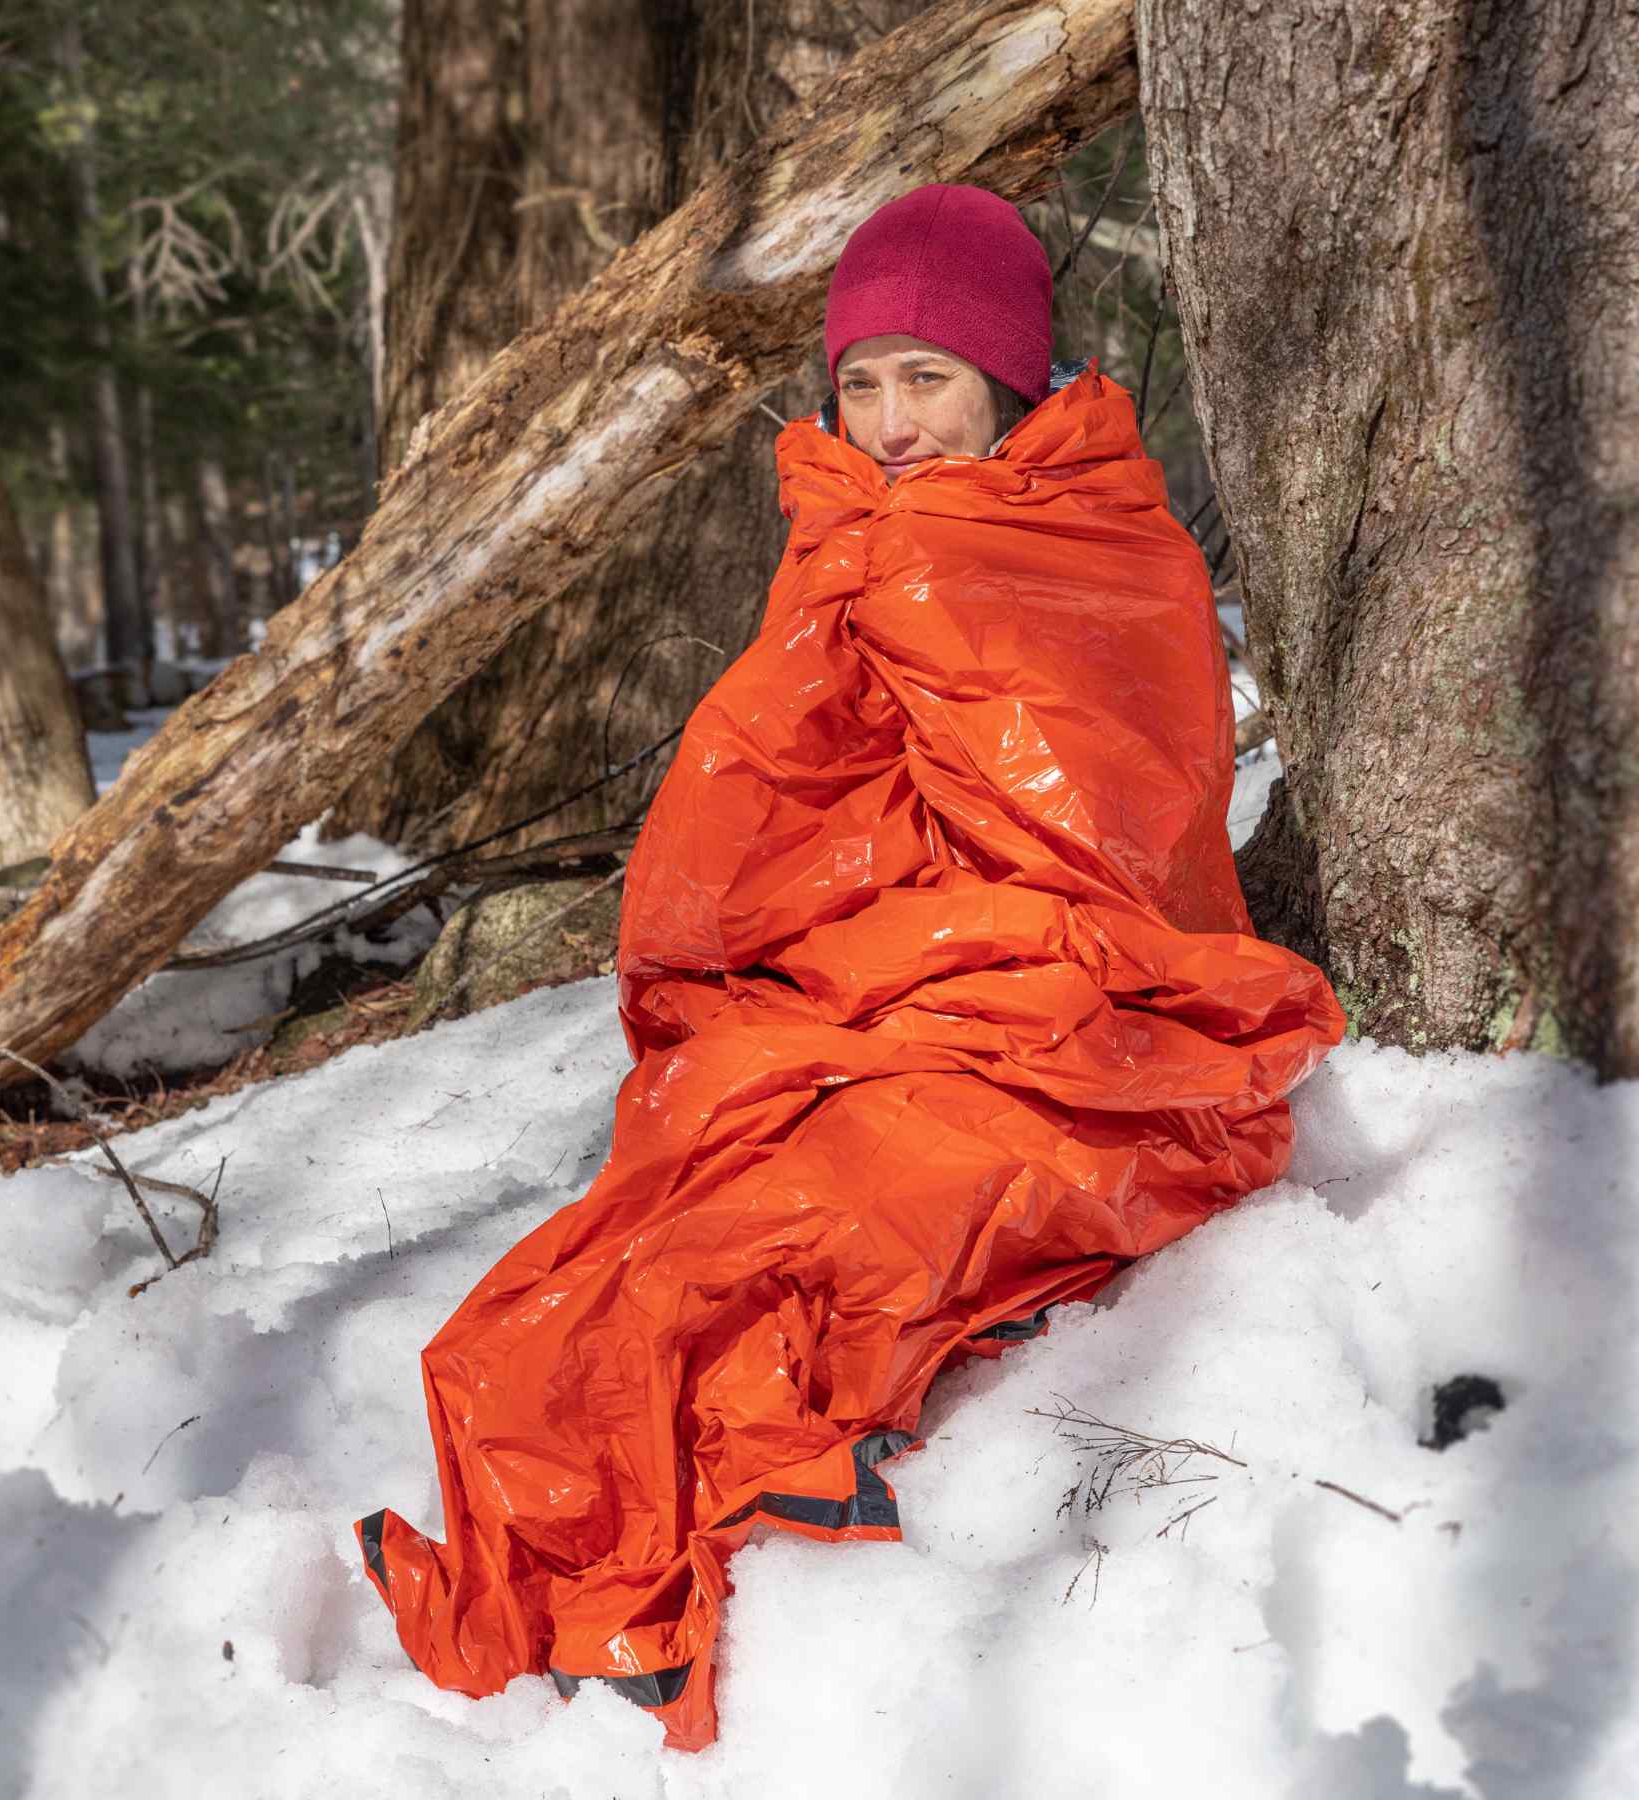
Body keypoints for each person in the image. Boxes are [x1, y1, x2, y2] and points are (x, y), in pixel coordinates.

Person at [356, 184, 1344, 1753]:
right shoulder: (855, 541)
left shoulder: (1098, 546)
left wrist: (914, 601)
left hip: (1076, 1011)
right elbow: (770, 806)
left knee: (789, 1254)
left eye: (927, 379)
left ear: (1008, 384)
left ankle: (666, 1573)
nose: (888, 421)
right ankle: (596, 1591)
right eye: (861, 382)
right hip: (864, 999)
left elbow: (1105, 828)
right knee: (555, 1312)